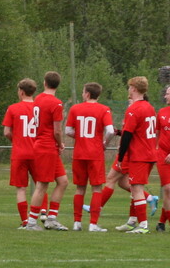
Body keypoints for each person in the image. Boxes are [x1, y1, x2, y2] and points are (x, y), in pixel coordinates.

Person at [64, 82, 115, 231]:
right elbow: (110, 131)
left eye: (83, 92)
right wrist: (104, 143)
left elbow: (68, 130)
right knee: (96, 188)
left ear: (87, 94)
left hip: (79, 153)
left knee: (80, 188)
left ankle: (77, 222)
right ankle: (93, 224)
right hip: (95, 154)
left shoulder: (75, 108)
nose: (82, 94)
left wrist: (81, 136)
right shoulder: (104, 109)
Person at [113, 76, 158, 233]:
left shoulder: (134, 109)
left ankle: (143, 225)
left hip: (140, 155)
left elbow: (127, 135)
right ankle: (132, 221)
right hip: (150, 153)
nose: (129, 89)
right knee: (134, 188)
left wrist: (120, 157)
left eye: (129, 87)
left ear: (134, 88)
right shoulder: (149, 107)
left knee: (137, 189)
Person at [2, 78, 45, 230]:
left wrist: (17, 139)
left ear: (21, 92)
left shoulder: (13, 108)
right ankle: (43, 215)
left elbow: (6, 131)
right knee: (41, 185)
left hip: (19, 153)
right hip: (38, 152)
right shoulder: (39, 109)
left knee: (21, 189)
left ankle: (25, 221)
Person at [32, 71, 70, 230]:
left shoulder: (38, 99)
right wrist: (61, 144)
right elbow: (57, 130)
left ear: (44, 83)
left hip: (43, 145)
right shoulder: (56, 103)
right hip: (47, 146)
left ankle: (51, 218)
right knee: (42, 185)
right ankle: (31, 222)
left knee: (63, 181)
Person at [155, 84, 170, 231]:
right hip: (163, 155)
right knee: (167, 188)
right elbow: (157, 133)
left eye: (168, 94)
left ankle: (161, 222)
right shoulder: (161, 112)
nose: (165, 96)